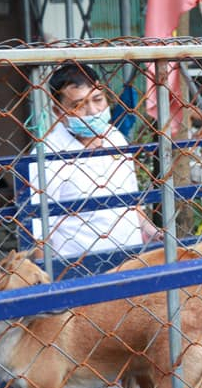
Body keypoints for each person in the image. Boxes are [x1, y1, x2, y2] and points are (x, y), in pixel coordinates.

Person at [30, 63, 159, 257]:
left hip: (131, 261)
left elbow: (132, 204)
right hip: (79, 270)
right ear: (59, 112)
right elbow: (39, 232)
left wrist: (151, 231)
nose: (93, 111)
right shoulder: (47, 155)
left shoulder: (115, 138)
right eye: (79, 105)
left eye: (98, 99)